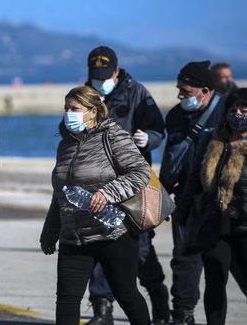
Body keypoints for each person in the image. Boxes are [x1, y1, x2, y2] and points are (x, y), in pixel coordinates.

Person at [40, 85, 151, 325]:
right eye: (66, 108)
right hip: (74, 237)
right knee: (67, 302)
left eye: (75, 108)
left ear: (93, 112)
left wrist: (108, 192)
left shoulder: (113, 136)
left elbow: (141, 173)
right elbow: (61, 192)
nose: (69, 113)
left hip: (113, 232)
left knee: (126, 294)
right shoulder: (66, 145)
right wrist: (50, 230)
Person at [84, 45, 168, 324]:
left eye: (105, 74)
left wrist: (150, 139)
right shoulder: (86, 95)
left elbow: (157, 127)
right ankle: (102, 308)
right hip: (98, 184)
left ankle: (158, 295)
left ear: (117, 71)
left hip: (133, 185)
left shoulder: (138, 93)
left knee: (140, 248)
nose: (100, 79)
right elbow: (68, 129)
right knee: (100, 243)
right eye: (95, 74)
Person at [160, 61, 226, 324]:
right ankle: (183, 314)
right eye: (179, 89)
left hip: (220, 202)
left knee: (219, 267)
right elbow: (171, 159)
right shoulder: (175, 116)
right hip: (186, 200)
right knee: (184, 261)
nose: (180, 96)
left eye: (186, 91)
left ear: (206, 90)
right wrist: (162, 197)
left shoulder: (227, 111)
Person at [174, 88, 247, 324]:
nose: (237, 115)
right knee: (215, 281)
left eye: (244, 111)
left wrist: (240, 207)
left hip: (244, 226)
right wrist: (182, 212)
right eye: (233, 110)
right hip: (215, 224)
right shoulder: (211, 139)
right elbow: (195, 178)